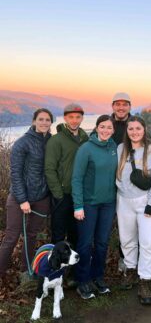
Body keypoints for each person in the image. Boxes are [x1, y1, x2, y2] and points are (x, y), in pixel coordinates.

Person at [0, 108, 53, 282]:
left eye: (48, 120)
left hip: (41, 198)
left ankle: (26, 270)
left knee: (31, 235)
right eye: (41, 119)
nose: (44, 122)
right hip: (19, 199)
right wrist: (22, 200)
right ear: (34, 121)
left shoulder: (51, 142)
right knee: (12, 236)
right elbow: (15, 173)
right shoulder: (22, 142)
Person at [116, 116, 151, 305]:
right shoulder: (120, 149)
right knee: (127, 240)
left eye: (138, 128)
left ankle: (144, 279)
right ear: (126, 131)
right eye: (131, 129)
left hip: (146, 202)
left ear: (144, 129)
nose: (134, 132)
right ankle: (130, 270)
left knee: (147, 242)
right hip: (124, 201)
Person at [72, 115, 117, 299]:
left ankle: (97, 276)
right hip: (89, 204)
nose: (106, 130)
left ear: (113, 130)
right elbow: (76, 178)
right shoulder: (86, 149)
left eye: (109, 127)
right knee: (85, 243)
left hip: (108, 203)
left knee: (102, 243)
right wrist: (78, 205)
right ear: (97, 128)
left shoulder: (114, 148)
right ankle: (82, 280)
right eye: (102, 126)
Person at [45, 103, 88, 248]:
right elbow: (49, 169)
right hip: (62, 196)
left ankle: (72, 269)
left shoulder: (85, 139)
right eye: (71, 117)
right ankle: (55, 269)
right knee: (58, 234)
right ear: (65, 118)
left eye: (78, 117)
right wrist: (58, 194)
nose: (74, 120)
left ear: (82, 118)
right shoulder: (56, 140)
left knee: (75, 233)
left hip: (79, 196)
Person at [111, 92, 132, 272]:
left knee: (130, 224)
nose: (121, 107)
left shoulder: (135, 125)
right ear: (113, 107)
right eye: (117, 104)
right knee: (114, 225)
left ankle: (128, 260)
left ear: (129, 107)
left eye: (124, 104)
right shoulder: (105, 125)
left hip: (132, 184)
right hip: (109, 182)